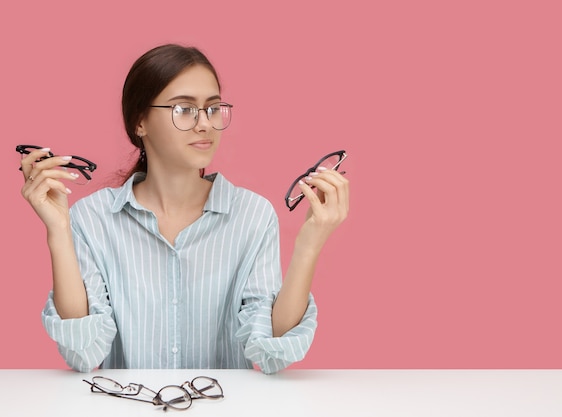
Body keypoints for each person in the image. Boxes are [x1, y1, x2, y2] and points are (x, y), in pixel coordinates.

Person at [19, 44, 349, 374]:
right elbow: (82, 353)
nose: (205, 123)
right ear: (140, 123)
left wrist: (310, 243)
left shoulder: (253, 215)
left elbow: (271, 352)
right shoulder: (92, 219)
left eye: (213, 108)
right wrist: (59, 231)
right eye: (184, 110)